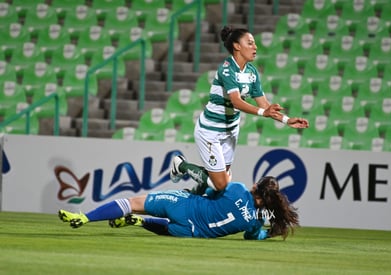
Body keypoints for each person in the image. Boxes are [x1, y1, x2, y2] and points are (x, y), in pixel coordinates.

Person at [171, 25, 309, 194]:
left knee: (222, 178)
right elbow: (236, 102)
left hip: (230, 131)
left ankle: (191, 196)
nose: (255, 47)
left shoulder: (252, 72)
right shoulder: (226, 69)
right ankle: (181, 165)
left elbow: (265, 105)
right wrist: (262, 113)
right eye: (250, 43)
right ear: (237, 46)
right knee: (220, 184)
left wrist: (287, 120)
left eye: (255, 43)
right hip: (210, 131)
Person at [58, 176, 299, 240]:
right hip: (192, 233)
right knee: (164, 227)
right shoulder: (254, 221)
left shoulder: (236, 189)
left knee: (133, 203)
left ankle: (85, 217)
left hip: (185, 205)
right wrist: (268, 232)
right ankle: (141, 223)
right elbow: (252, 236)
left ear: (256, 185)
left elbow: (207, 191)